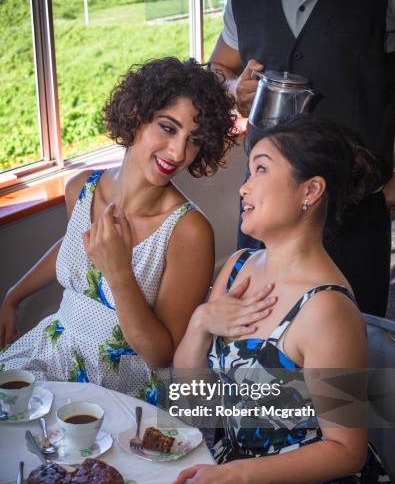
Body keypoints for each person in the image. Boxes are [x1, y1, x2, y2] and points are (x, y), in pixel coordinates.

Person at [159, 116, 395, 484]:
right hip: (227, 457)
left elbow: (345, 451)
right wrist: (202, 320)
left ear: (310, 190)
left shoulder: (328, 309)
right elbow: (189, 399)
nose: (243, 187)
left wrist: (236, 477)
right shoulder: (239, 266)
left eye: (260, 169)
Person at [0, 57, 236, 397]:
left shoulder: (189, 230)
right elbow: (76, 246)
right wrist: (14, 295)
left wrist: (120, 272)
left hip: (124, 386)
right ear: (137, 115)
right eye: (168, 128)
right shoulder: (80, 187)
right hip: (54, 352)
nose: (179, 151)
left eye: (194, 140)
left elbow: (160, 355)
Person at [209, 0, 395, 317]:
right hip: (262, 209)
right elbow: (218, 66)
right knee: (248, 342)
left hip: (353, 218)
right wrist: (232, 89)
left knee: (348, 347)